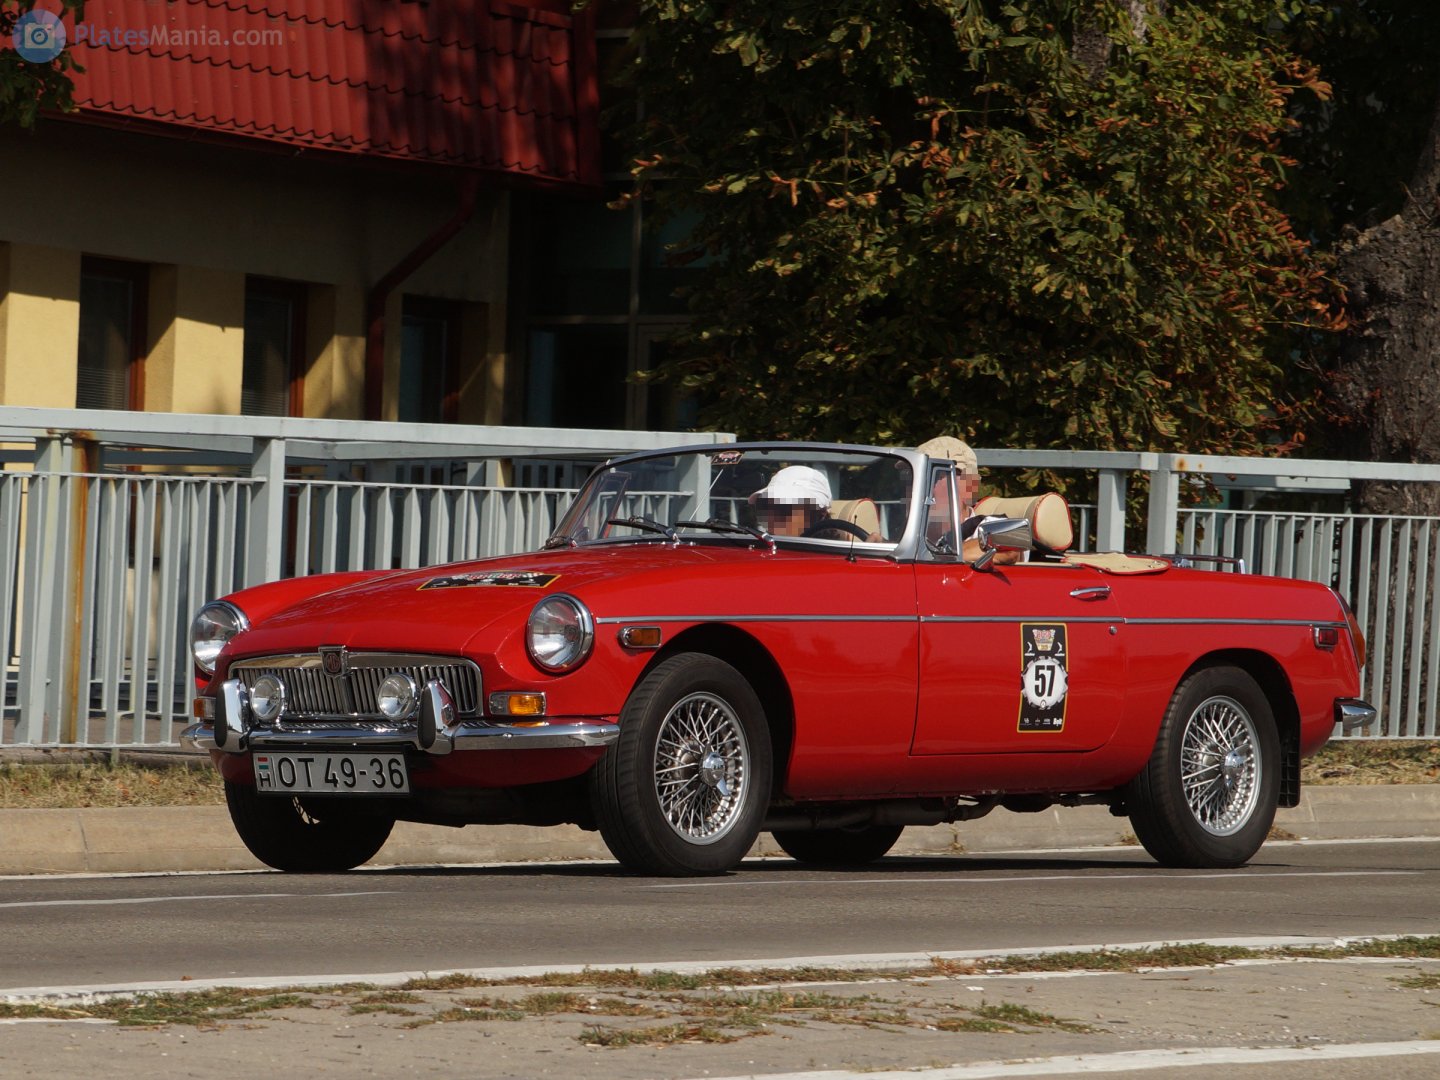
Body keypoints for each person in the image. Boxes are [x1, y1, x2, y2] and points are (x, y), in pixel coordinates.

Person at [917, 435, 1021, 564]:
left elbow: (1009, 550)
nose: (915, 488)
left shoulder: (987, 525)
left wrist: (941, 554)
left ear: (969, 486)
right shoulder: (910, 533)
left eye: (932, 476)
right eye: (912, 478)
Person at [749, 465, 834, 537]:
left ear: (821, 514)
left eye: (787, 509)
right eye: (767, 507)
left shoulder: (836, 554)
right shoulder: (755, 547)